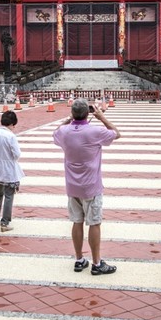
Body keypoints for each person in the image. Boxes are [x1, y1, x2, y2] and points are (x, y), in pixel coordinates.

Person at [53, 99, 121, 275]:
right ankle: (97, 263)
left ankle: (78, 259)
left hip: (72, 186)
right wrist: (101, 117)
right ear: (88, 113)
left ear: (73, 113)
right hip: (91, 186)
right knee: (94, 223)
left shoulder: (64, 132)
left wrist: (69, 120)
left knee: (77, 221)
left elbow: (55, 132)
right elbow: (116, 133)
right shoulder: (95, 131)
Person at [0, 110, 25, 232]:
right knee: (9, 195)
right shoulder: (11, 136)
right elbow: (17, 154)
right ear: (12, 124)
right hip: (9, 170)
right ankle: (5, 222)